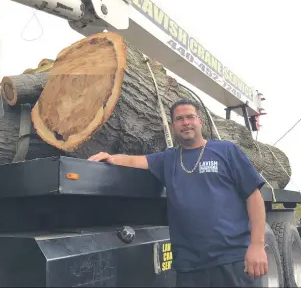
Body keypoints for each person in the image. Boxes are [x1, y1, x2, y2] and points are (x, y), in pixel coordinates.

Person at [88, 99, 268, 287]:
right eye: (179, 119)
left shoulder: (226, 151)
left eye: (190, 117)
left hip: (232, 260)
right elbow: (136, 161)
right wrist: (110, 157)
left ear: (200, 121)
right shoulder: (169, 158)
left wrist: (256, 246)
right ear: (173, 126)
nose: (186, 122)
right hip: (189, 266)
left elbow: (254, 197)